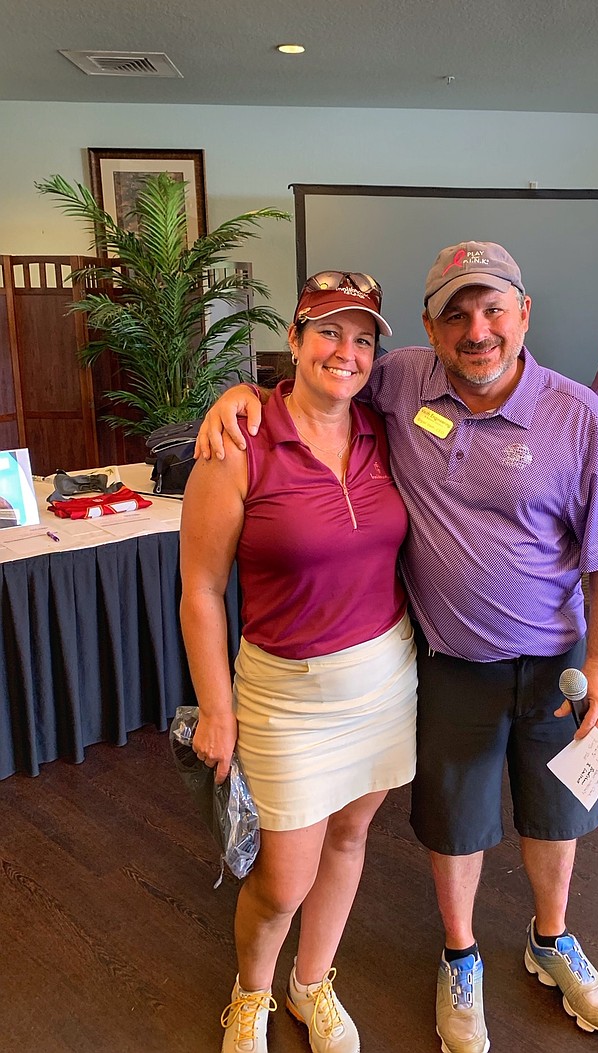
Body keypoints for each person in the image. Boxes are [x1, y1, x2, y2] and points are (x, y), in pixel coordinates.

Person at [199, 241, 598, 1048]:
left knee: (556, 814)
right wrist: (237, 393)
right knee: (455, 820)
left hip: (555, 667)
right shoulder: (400, 383)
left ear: (524, 313)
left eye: (494, 308)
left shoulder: (578, 417)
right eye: (457, 314)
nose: (479, 330)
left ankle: (552, 940)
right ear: (432, 330)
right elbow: (313, 378)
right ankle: (459, 953)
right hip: (446, 664)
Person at [181, 271, 417, 1053]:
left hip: (385, 678)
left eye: (362, 338)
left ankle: (311, 981)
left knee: (350, 837)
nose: (345, 351)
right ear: (294, 337)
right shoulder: (240, 438)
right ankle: (251, 991)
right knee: (283, 877)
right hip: (285, 694)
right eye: (328, 331)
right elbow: (201, 587)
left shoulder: (387, 428)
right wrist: (217, 706)